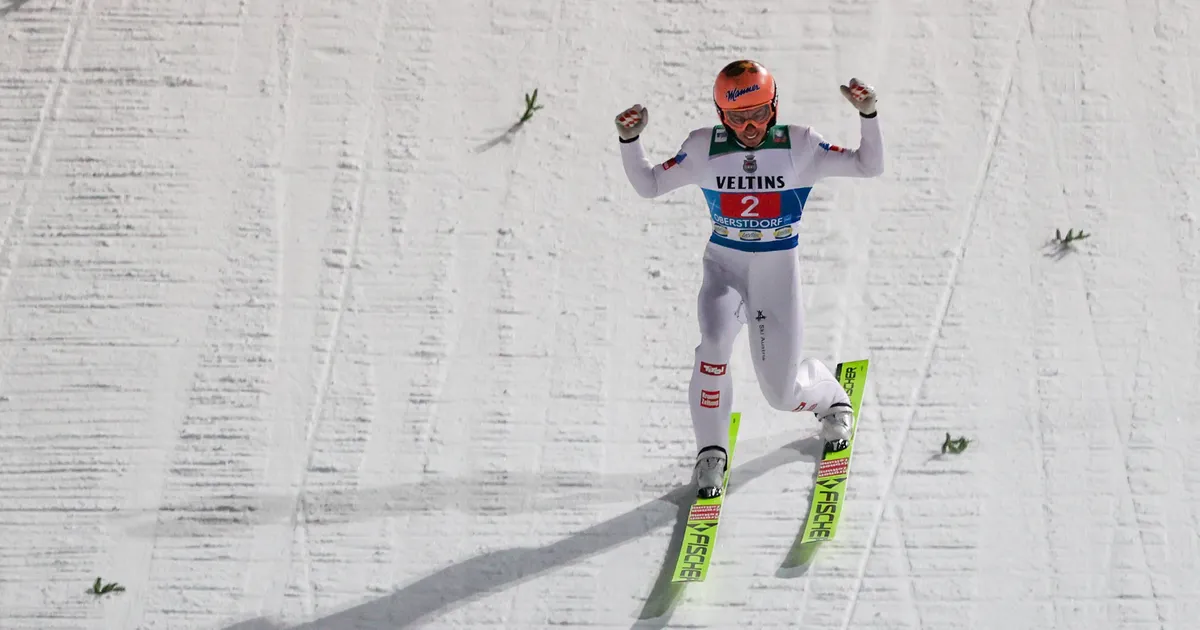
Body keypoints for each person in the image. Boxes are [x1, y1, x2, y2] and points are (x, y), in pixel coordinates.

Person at [614, 59, 884, 499]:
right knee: (714, 344)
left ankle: (829, 397)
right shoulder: (704, 149)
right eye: (738, 117)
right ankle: (710, 453)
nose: (751, 126)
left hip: (777, 274)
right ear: (722, 116)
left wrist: (868, 114)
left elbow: (868, 166)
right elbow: (648, 185)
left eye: (759, 113)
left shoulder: (800, 144)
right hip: (726, 267)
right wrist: (630, 141)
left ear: (773, 107)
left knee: (780, 394)